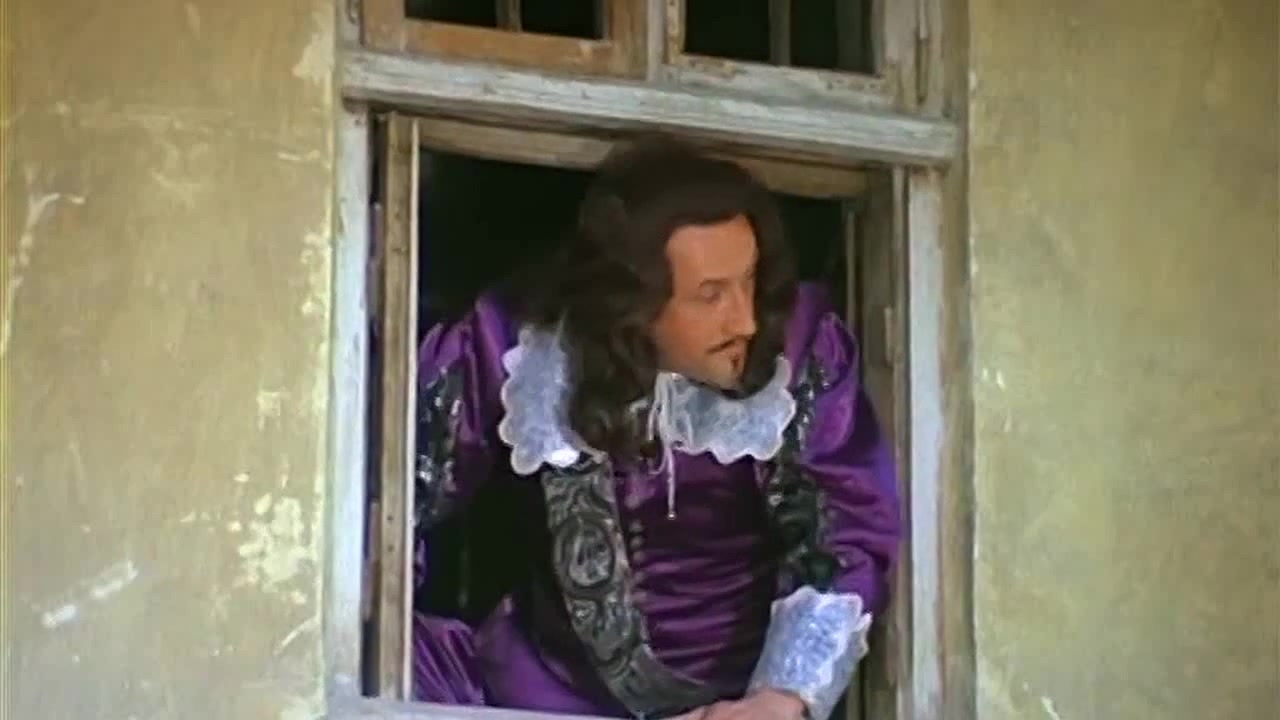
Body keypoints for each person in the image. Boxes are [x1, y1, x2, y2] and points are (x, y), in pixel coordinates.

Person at [411, 136, 901, 720]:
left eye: (749, 280)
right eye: (710, 294)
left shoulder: (798, 350)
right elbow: (391, 484)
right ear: (635, 305)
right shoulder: (516, 342)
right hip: (544, 696)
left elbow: (845, 533)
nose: (745, 320)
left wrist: (779, 699)